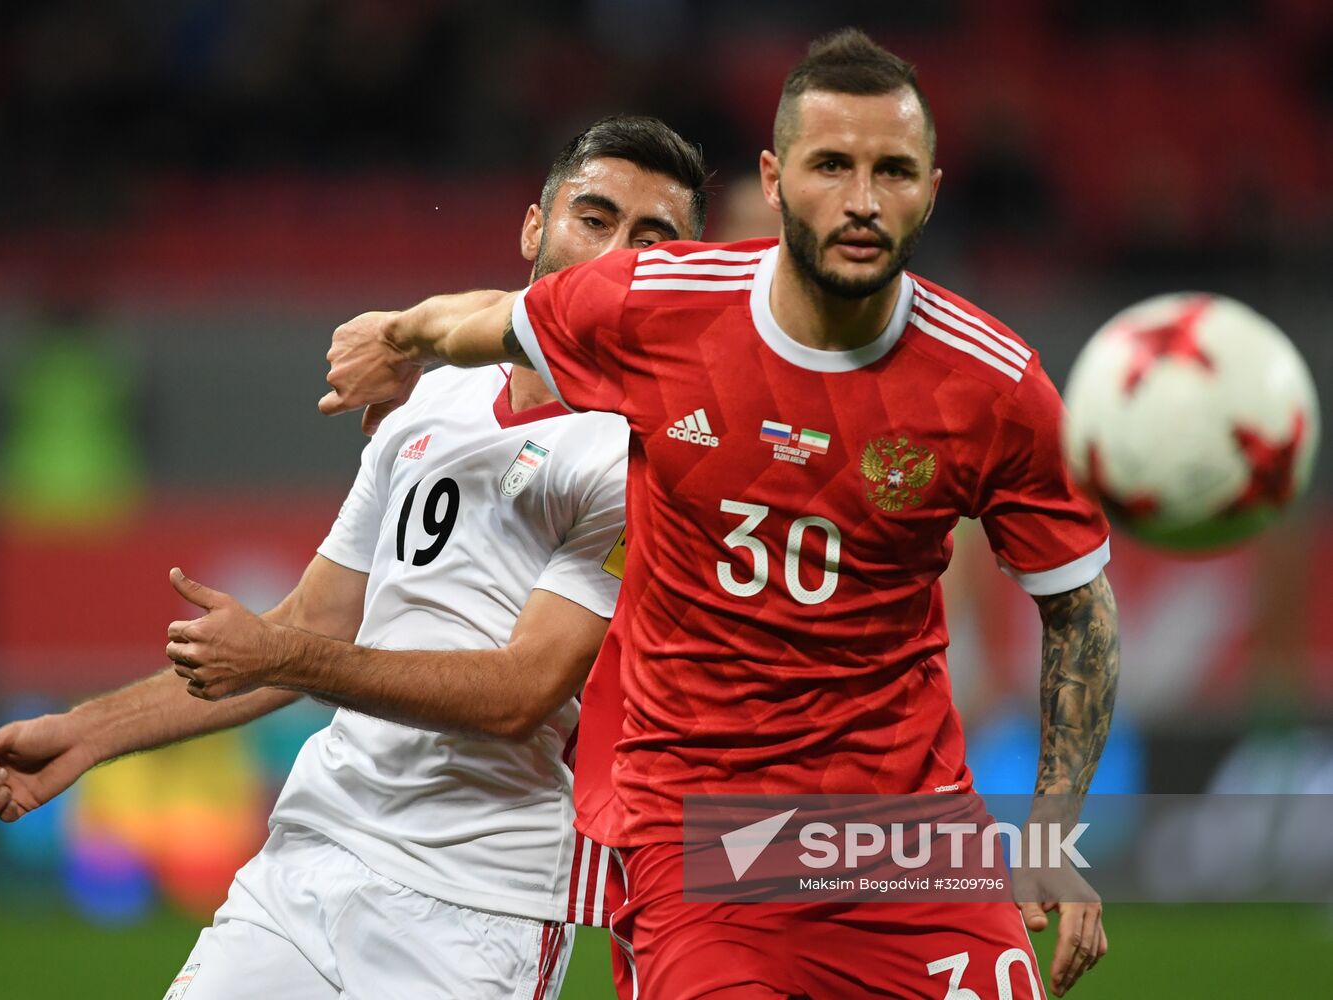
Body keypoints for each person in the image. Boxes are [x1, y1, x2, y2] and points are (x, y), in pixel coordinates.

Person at [317, 30, 1120, 1000]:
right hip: (703, 835)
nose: (862, 201)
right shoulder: (658, 307)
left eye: (892, 171)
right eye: (831, 165)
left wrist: (1051, 831)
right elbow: (483, 322)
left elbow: (1079, 607)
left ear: (932, 189)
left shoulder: (994, 386)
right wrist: (397, 336)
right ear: (774, 180)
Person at [0, 115, 708, 1000]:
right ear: (533, 228)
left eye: (651, 239)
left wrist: (286, 655)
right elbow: (311, 623)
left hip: (478, 904)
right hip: (308, 859)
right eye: (594, 218)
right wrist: (84, 736)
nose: (615, 255)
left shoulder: (649, 455)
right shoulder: (432, 402)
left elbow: (520, 693)